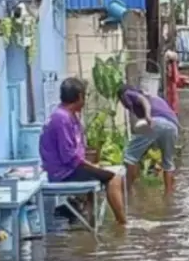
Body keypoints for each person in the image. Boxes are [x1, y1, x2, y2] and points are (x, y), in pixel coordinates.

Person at [39, 78, 126, 224]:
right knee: (114, 178)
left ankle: (91, 222)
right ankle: (122, 223)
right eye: (84, 96)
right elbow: (70, 157)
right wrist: (93, 167)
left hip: (68, 169)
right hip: (64, 173)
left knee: (101, 173)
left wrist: (93, 166)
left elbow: (76, 150)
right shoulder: (62, 118)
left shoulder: (68, 116)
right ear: (79, 96)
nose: (85, 100)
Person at [118, 84, 180, 193]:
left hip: (155, 122)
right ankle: (169, 196)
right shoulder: (154, 97)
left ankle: (127, 193)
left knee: (130, 156)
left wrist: (147, 116)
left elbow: (143, 101)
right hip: (173, 126)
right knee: (168, 163)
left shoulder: (127, 93)